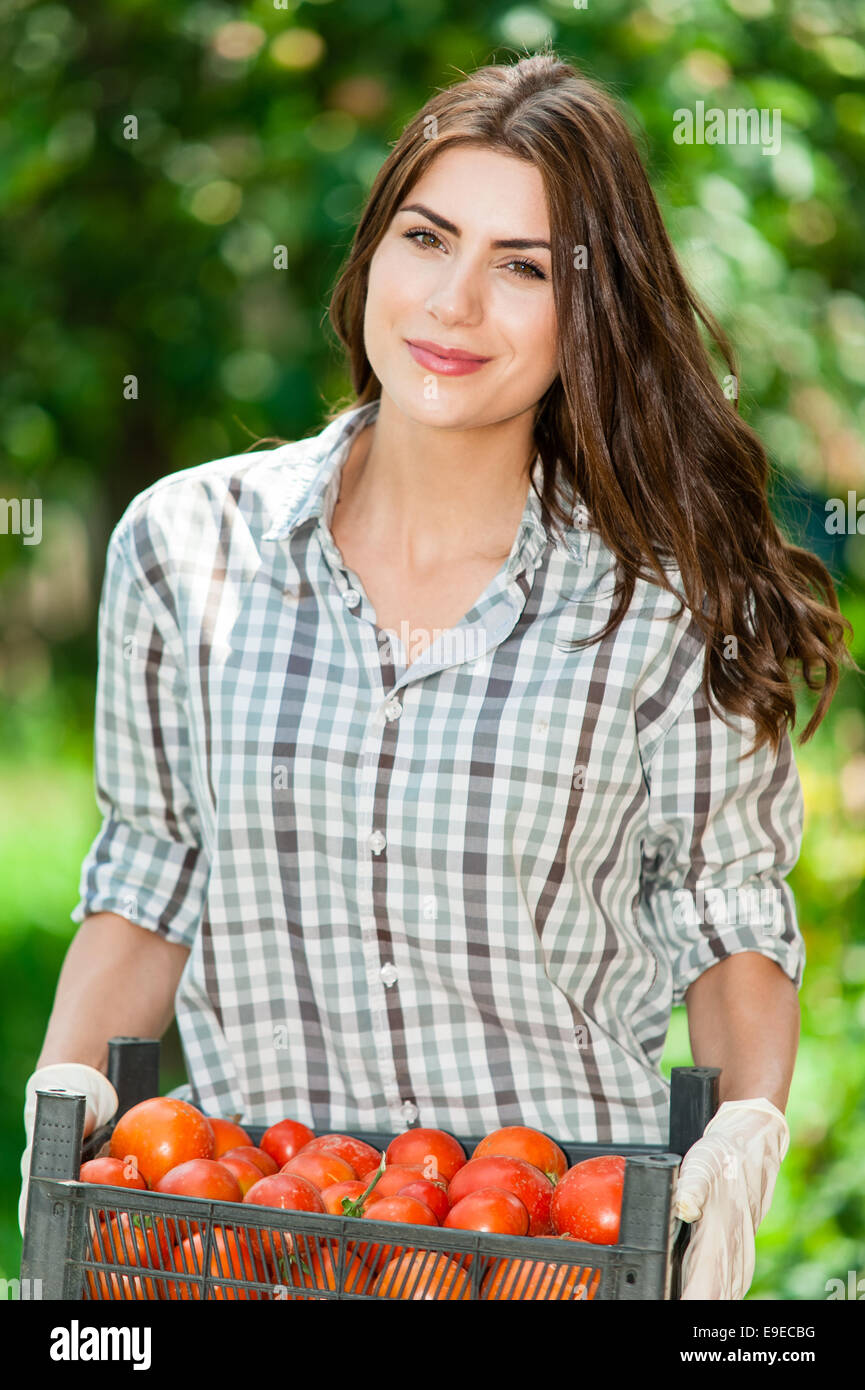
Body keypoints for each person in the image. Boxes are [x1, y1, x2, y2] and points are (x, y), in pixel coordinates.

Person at [19, 49, 856, 1299]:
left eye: (522, 267)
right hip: (248, 1237)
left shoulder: (665, 596)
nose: (453, 303)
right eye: (428, 237)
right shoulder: (184, 546)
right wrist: (68, 1123)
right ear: (370, 255)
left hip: (552, 1247)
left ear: (592, 315)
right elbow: (152, 872)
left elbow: (723, 913)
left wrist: (739, 1135)